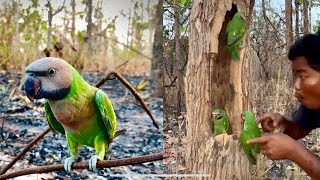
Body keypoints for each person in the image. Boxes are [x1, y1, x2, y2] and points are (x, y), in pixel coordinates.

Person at [248, 31, 320, 180]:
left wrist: (295, 152)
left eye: (303, 76)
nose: (296, 86)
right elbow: (300, 128)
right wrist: (283, 124)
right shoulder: (313, 101)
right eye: (295, 76)